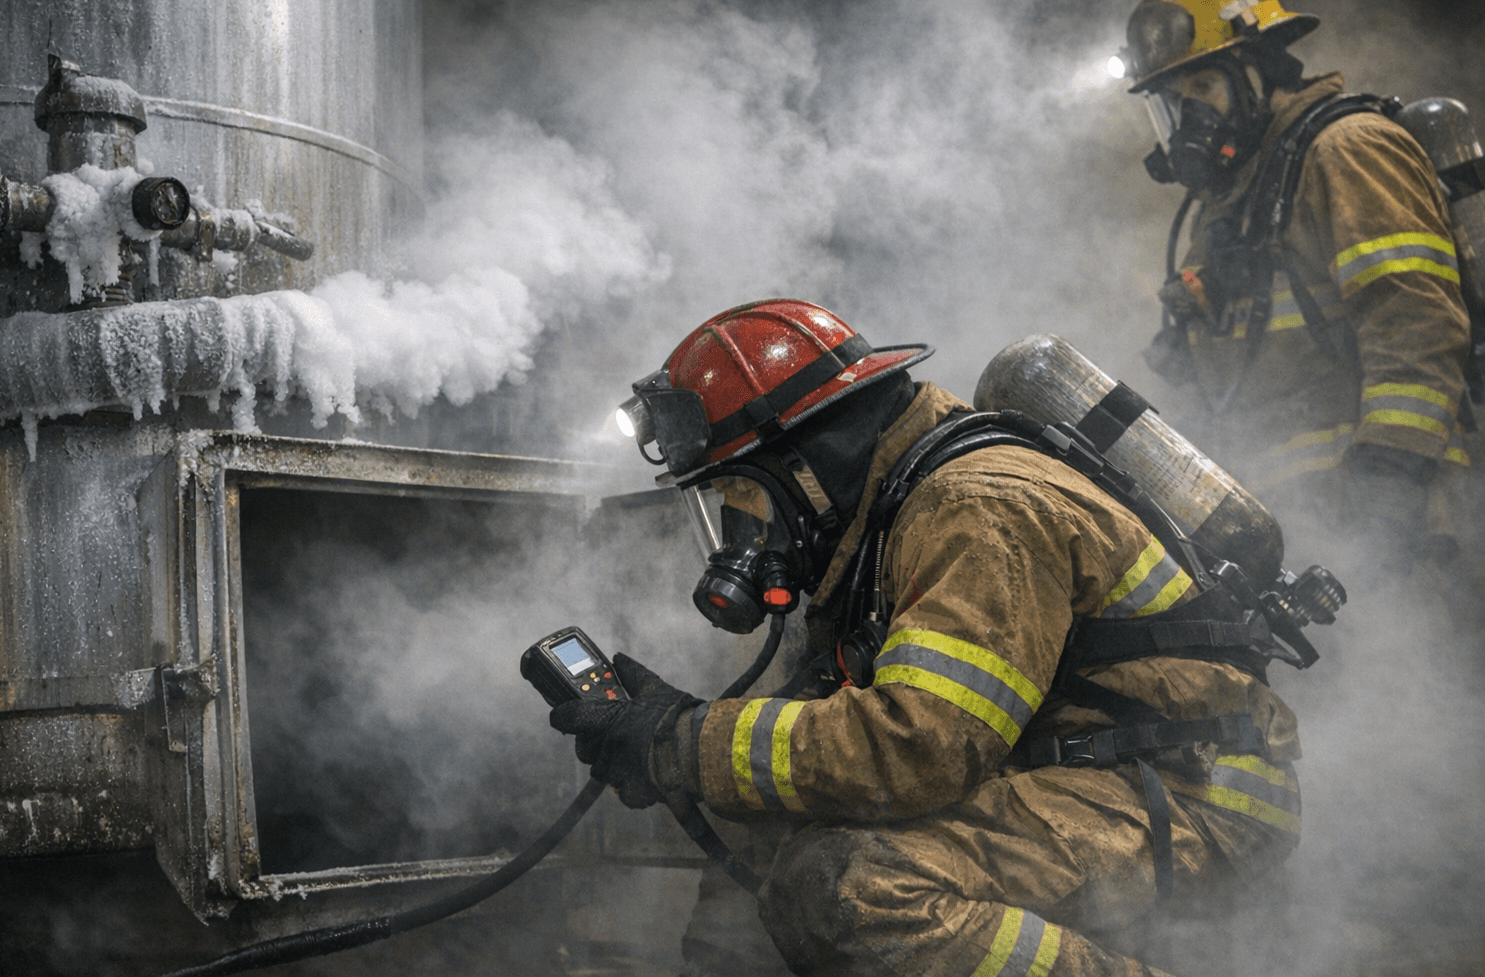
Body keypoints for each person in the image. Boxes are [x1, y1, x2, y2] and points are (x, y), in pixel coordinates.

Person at [552, 299, 1308, 977]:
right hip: (1092, 768)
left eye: (743, 494)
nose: (745, 532)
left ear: (806, 463)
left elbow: (919, 749)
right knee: (764, 814)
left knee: (853, 888)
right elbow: (832, 730)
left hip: (1200, 794)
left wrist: (683, 742)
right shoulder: (893, 515)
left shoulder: (976, 508)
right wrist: (682, 742)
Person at [1117, 0, 1471, 565]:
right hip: (1299, 528)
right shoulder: (1227, 208)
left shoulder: (1347, 149)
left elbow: (1415, 322)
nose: (1189, 123)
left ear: (1260, 69)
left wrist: (1390, 475)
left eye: (1203, 89)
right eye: (1172, 106)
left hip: (1405, 511)